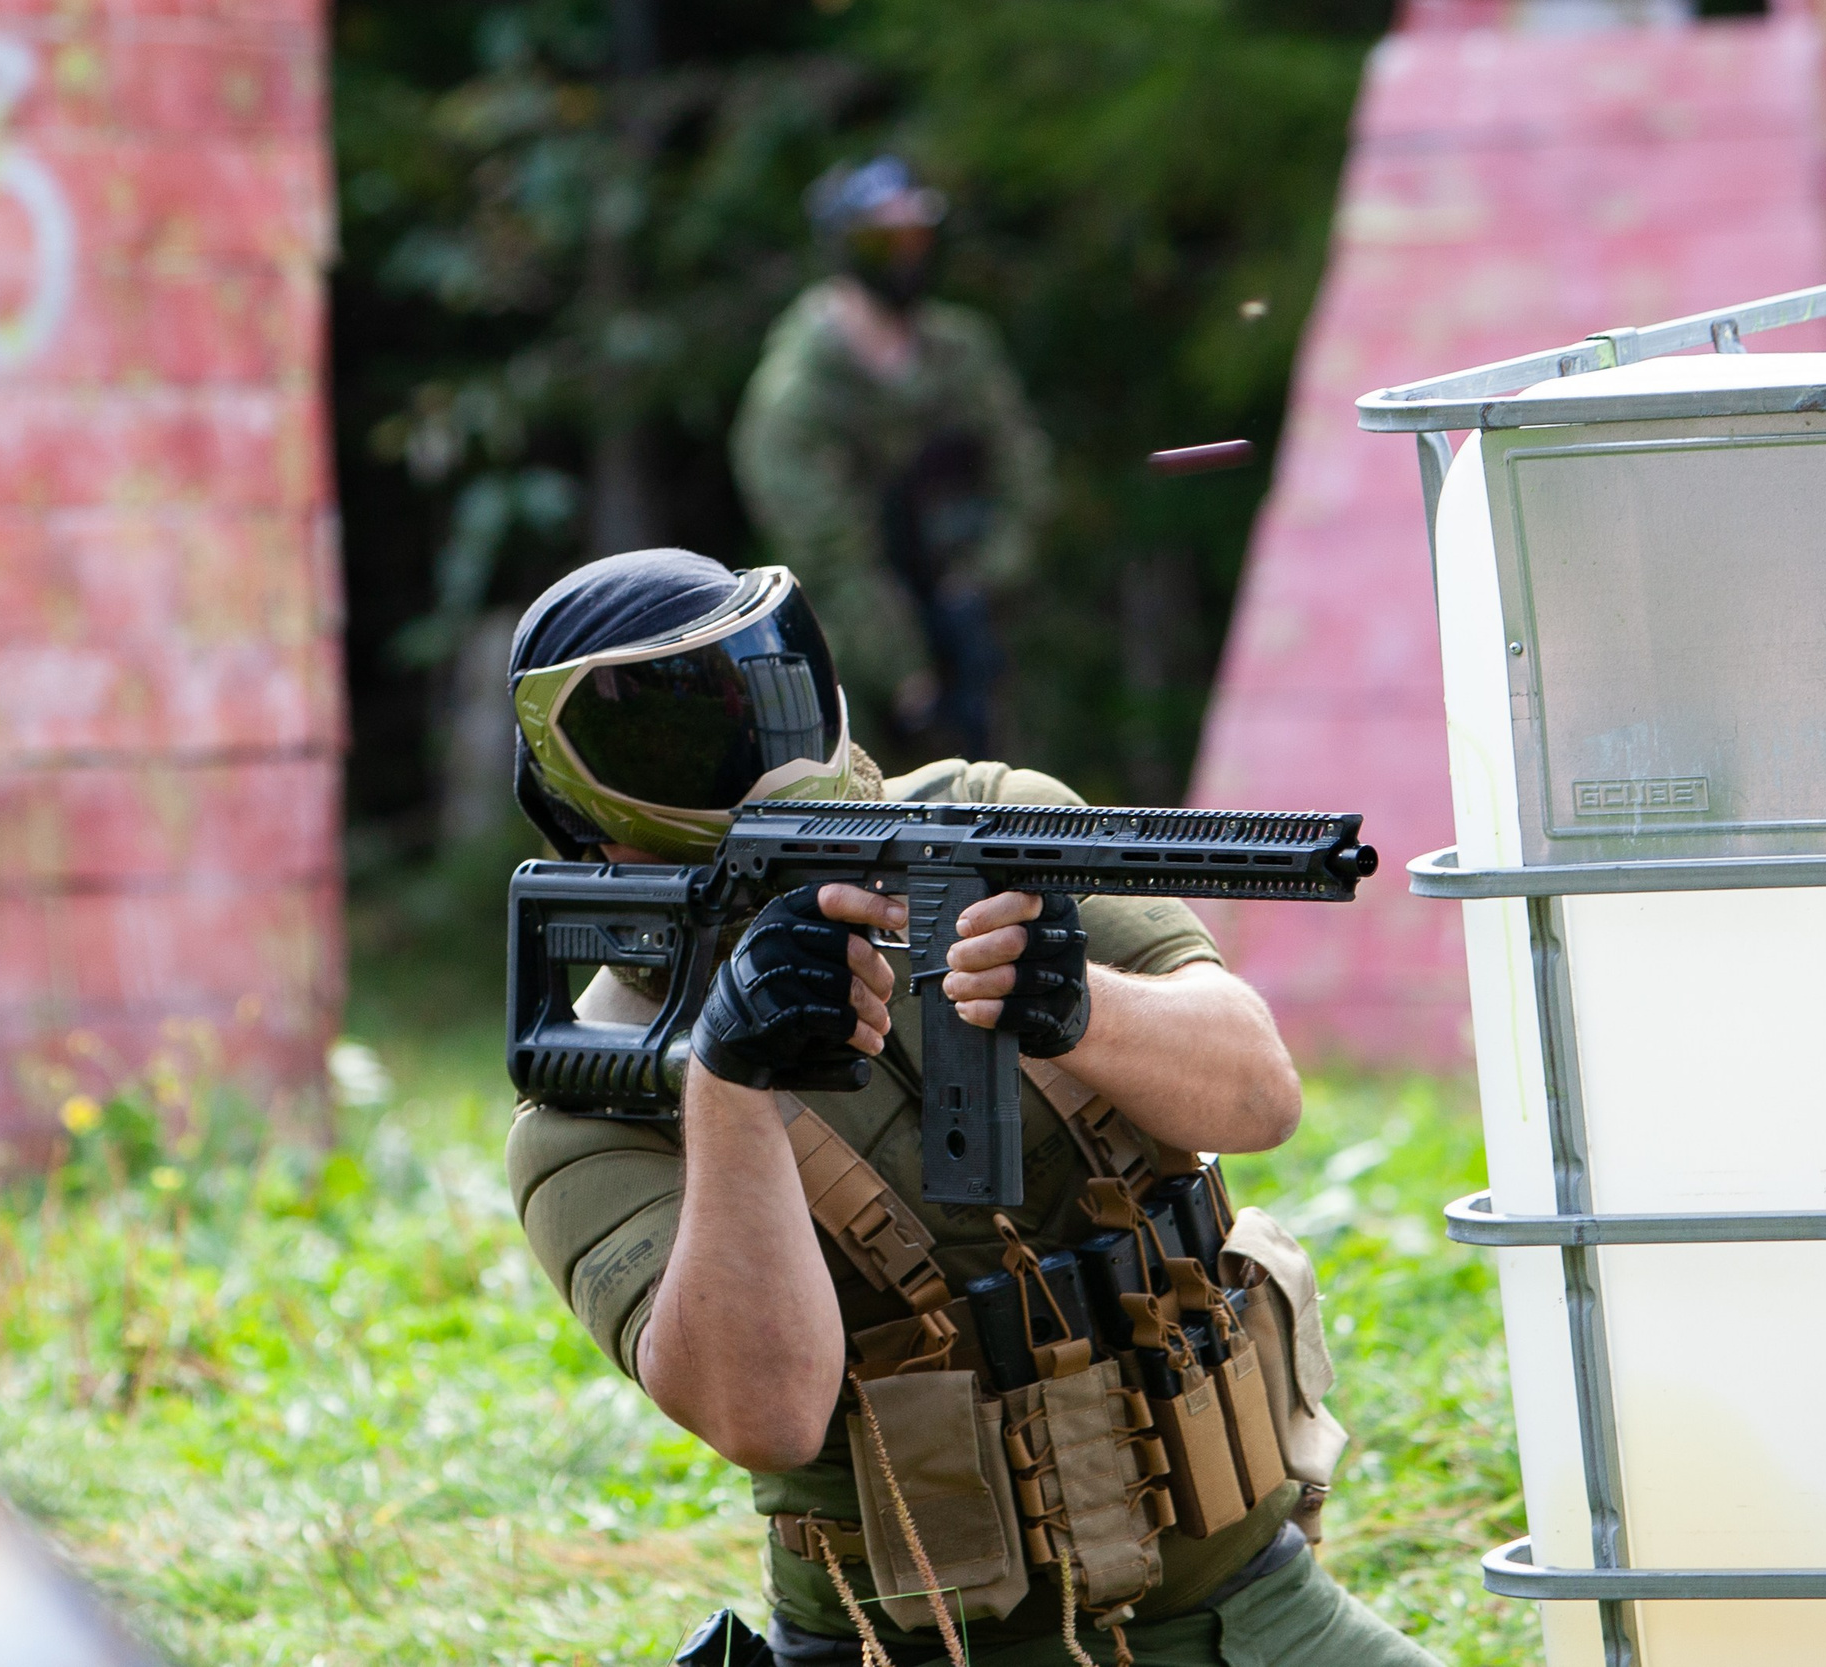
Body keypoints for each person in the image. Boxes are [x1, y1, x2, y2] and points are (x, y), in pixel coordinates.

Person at [505, 549, 1439, 1667]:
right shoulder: (592, 1101)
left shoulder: (998, 825)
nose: (756, 762)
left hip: (1245, 1612)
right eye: (681, 738)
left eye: (766, 695)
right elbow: (765, 1416)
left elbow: (1257, 1093)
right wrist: (730, 1083)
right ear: (588, 813)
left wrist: (1078, 1005)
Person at [732, 156, 1051, 761]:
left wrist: (985, 580)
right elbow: (830, 555)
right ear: (846, 251)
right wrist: (908, 675)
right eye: (885, 241)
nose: (906, 257)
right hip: (865, 664)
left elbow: (1025, 471)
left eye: (916, 237)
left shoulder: (961, 353)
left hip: (983, 621)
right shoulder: (796, 395)